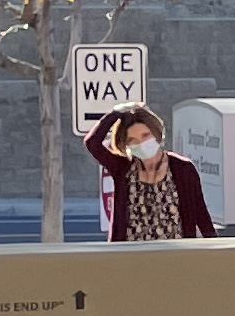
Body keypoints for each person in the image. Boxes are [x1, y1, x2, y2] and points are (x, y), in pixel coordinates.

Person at [86, 102, 216, 241]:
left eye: (145, 135)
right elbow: (93, 143)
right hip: (131, 257)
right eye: (132, 140)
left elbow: (201, 215)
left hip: (174, 256)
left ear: (156, 133)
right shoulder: (123, 168)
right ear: (126, 144)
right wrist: (115, 113)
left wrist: (216, 253)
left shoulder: (182, 168)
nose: (140, 143)